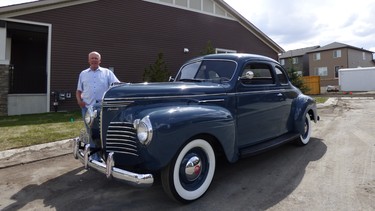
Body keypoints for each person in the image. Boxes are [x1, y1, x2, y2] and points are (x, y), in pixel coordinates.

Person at [76, 51, 120, 160]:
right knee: (90, 133)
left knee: (102, 132)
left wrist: (128, 86)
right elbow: (78, 91)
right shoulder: (83, 74)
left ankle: (104, 155)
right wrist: (79, 101)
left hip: (102, 109)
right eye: (92, 58)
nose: (94, 60)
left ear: (100, 60)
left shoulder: (107, 73)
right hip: (87, 108)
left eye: (96, 58)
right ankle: (94, 157)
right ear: (88, 60)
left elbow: (117, 85)